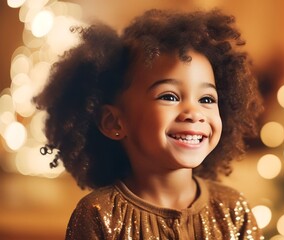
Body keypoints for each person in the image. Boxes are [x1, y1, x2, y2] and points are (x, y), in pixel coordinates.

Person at [34, 8, 264, 239]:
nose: (194, 113)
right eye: (169, 97)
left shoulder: (233, 209)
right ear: (114, 122)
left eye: (206, 99)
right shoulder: (98, 213)